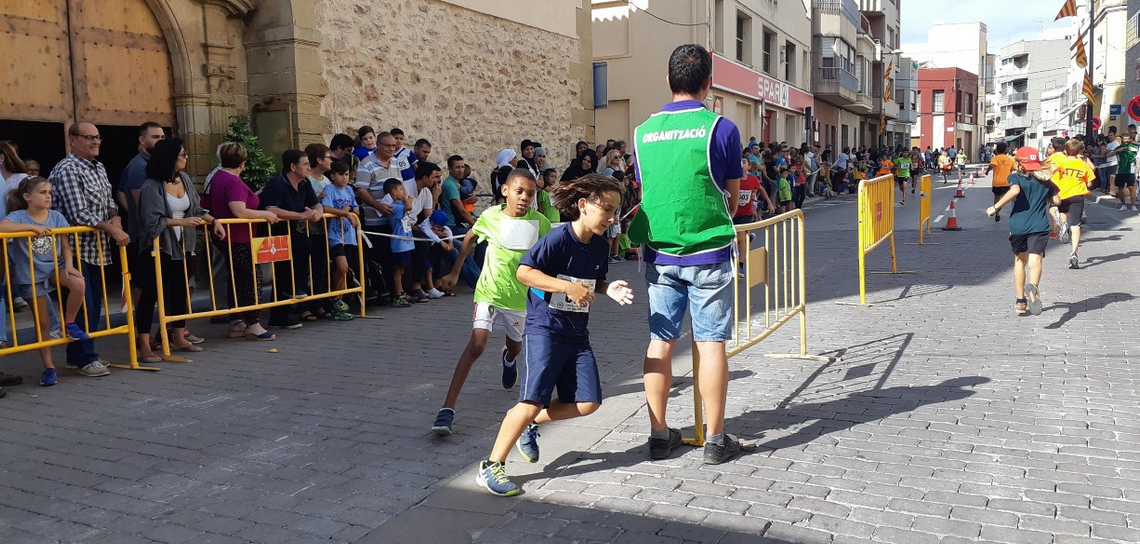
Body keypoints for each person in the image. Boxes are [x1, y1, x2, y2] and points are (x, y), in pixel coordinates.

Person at [475, 174, 634, 497]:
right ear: (583, 205)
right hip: (545, 329)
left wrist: (609, 289)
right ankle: (491, 465)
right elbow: (525, 271)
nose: (611, 217)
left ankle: (531, 424)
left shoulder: (601, 246)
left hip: (577, 333)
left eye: (615, 211)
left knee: (588, 402)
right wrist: (565, 286)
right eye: (606, 208)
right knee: (530, 401)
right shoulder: (558, 238)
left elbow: (591, 283)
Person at [628, 44, 744, 465]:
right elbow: (732, 199)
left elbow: (648, 194)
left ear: (668, 80)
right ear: (708, 83)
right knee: (711, 344)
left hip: (659, 255)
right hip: (709, 251)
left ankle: (659, 434)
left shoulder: (642, 132)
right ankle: (715, 439)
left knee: (660, 343)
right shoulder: (721, 128)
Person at [431, 169, 552, 436]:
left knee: (516, 347)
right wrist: (455, 271)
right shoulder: (491, 216)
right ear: (505, 191)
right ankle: (447, 409)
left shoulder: (540, 222)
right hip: (489, 292)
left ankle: (508, 359)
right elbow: (470, 237)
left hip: (520, 299)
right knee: (476, 344)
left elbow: (548, 257)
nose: (524, 198)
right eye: (519, 192)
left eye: (530, 194)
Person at [49, 122, 125, 378]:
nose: (95, 142)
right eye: (88, 137)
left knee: (95, 305)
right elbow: (77, 212)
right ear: (72, 140)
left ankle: (78, 355)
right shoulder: (67, 169)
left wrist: (115, 217)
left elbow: (109, 200)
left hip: (96, 249)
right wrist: (112, 229)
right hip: (74, 250)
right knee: (85, 305)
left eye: (98, 137)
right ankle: (86, 358)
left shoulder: (99, 167)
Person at [136, 139, 223, 360]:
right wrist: (181, 223)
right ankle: (144, 344)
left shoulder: (184, 178)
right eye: (182, 154)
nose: (186, 158)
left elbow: (196, 207)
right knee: (150, 295)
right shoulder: (151, 186)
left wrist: (214, 221)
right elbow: (150, 222)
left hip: (183, 246)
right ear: (170, 158)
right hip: (158, 247)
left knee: (180, 292)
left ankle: (178, 336)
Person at [1, 176, 92, 386]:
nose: (48, 196)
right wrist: (30, 228)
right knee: (42, 323)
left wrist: (69, 266)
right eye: (43, 192)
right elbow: (2, 227)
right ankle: (48, 367)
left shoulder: (56, 216)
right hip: (31, 275)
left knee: (78, 283)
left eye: (49, 192)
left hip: (55, 267)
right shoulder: (18, 216)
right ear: (27, 197)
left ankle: (69, 323)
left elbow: (66, 245)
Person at [986, 148, 1060, 316]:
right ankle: (1033, 287)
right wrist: (1047, 199)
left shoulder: (1015, 177)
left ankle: (1020, 301)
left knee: (1020, 261)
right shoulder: (1046, 180)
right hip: (1040, 226)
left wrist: (995, 207)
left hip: (1019, 226)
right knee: (1036, 261)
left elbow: (1015, 191)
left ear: (1019, 162)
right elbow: (1056, 199)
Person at [260, 149, 323, 327]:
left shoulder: (304, 184)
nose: (309, 168)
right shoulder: (277, 183)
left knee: (304, 246)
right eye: (306, 164)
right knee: (284, 268)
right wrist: (301, 215)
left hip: (290, 231)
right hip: (272, 232)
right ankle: (282, 309)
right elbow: (271, 209)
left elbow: (316, 203)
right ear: (293, 167)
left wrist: (317, 213)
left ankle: (287, 306)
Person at [322, 160, 360, 321]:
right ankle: (334, 298)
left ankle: (341, 303)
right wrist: (344, 212)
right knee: (342, 268)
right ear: (332, 176)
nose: (344, 178)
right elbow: (326, 208)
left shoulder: (350, 190)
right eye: (340, 174)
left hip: (350, 236)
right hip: (336, 235)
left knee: (348, 271)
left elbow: (356, 208)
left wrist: (350, 211)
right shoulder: (329, 189)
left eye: (346, 174)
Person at [1052, 139, 1096, 269]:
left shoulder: (1061, 161)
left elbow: (1053, 171)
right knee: (1076, 225)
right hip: (1077, 196)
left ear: (1065, 151)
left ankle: (1063, 225)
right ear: (1079, 151)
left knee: (1063, 212)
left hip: (1063, 194)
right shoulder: (1082, 164)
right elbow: (1089, 183)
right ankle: (1074, 253)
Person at [385, 177, 415, 308]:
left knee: (403, 269)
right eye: (401, 190)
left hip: (407, 241)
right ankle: (398, 294)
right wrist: (406, 200)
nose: (404, 192)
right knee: (398, 270)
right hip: (399, 243)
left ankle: (402, 291)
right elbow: (408, 207)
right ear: (393, 192)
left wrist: (407, 200)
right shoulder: (394, 207)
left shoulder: (400, 205)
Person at [983, 142, 1016, 222]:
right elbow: (1014, 169)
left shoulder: (995, 158)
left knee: (996, 198)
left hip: (997, 183)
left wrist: (987, 171)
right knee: (1006, 198)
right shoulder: (1010, 159)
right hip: (1007, 182)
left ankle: (997, 213)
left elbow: (991, 165)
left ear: (997, 150)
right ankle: (1008, 211)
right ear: (1005, 150)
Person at [1108, 133, 1139, 212]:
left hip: (1130, 170)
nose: (1126, 140)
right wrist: (1117, 151)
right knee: (1120, 188)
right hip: (1120, 170)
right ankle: (1123, 205)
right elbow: (1108, 155)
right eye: (1124, 139)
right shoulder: (1119, 147)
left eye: (1127, 139)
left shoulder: (1135, 147)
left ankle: (1133, 205)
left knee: (1132, 188)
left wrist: (1134, 150)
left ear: (1130, 139)